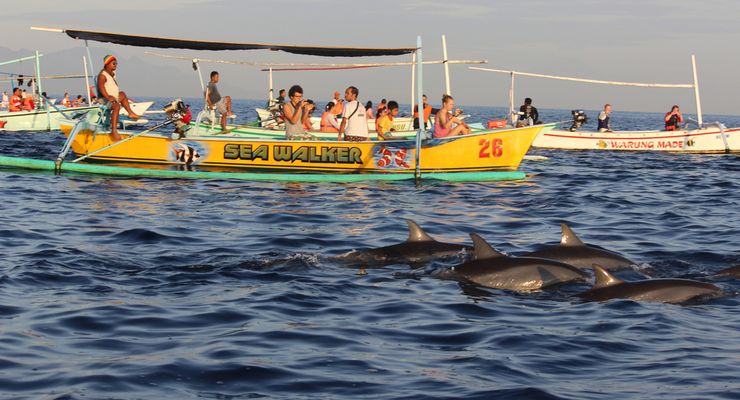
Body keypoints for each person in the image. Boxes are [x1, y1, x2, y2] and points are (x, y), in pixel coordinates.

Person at [97, 55, 141, 141]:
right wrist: (108, 96)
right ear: (107, 64)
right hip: (104, 99)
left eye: (116, 63)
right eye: (114, 63)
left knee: (123, 94)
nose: (116, 65)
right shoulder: (102, 75)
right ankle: (114, 131)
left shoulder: (112, 73)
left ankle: (130, 113)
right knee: (116, 106)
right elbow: (101, 87)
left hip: (113, 97)